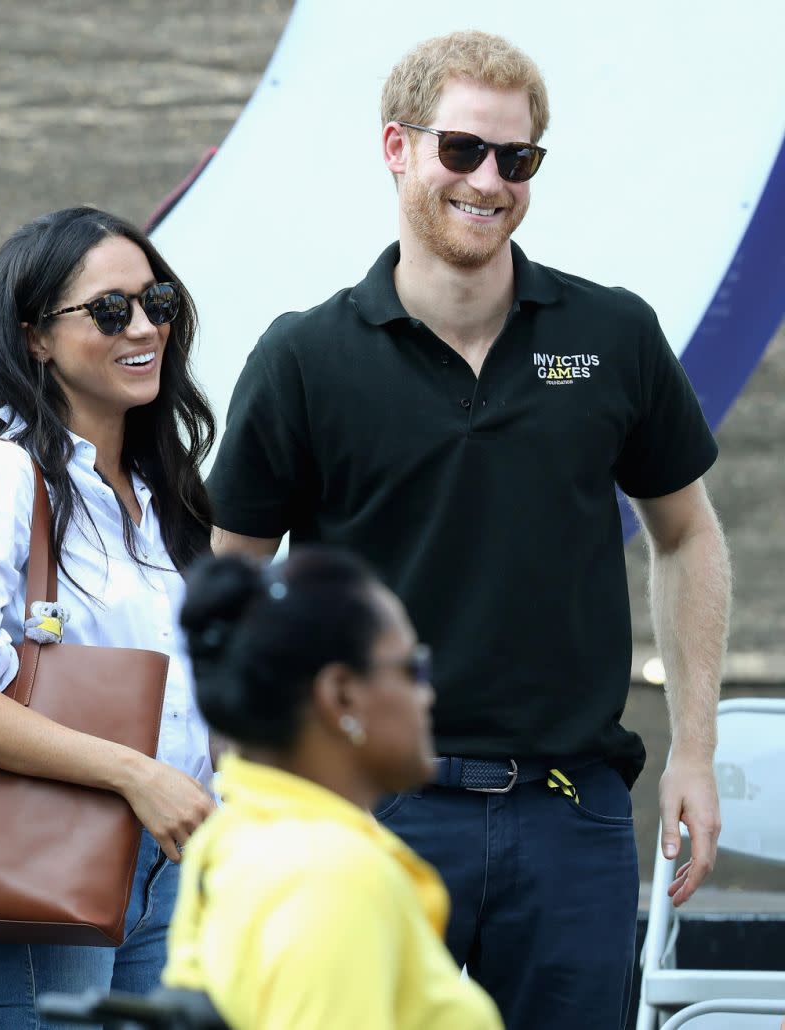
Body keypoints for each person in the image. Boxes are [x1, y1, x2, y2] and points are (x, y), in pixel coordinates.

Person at [205, 30, 732, 1030]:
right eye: (462, 150)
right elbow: (227, 584)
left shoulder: (610, 335)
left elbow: (688, 536)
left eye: (517, 158)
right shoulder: (305, 356)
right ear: (397, 147)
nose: (489, 181)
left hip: (570, 815)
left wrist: (694, 754)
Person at [0, 206, 217, 1028]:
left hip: (172, 865)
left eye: (159, 301)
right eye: (110, 310)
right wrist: (137, 774)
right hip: (49, 852)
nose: (144, 325)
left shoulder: (158, 498)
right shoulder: (0, 475)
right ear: (35, 337)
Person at [162, 547, 503, 1030]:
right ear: (341, 694)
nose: (427, 695)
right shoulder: (334, 874)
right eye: (412, 669)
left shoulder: (238, 835)